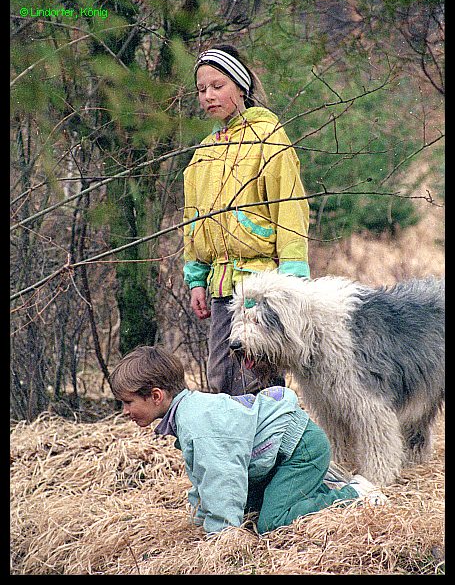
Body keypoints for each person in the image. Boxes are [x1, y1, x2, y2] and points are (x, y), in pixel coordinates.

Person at [109, 346, 387, 536]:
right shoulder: (188, 414)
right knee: (248, 510)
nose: (124, 411)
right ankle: (317, 487)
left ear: (156, 396)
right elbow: (204, 476)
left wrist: (222, 535)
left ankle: (355, 495)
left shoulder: (196, 422)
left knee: (272, 522)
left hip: (300, 450)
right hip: (281, 455)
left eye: (128, 402)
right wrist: (200, 519)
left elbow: (223, 477)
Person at [183, 44, 310, 395]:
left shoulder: (268, 137)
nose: (208, 96)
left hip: (259, 286)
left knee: (257, 382)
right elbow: (193, 221)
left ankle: (272, 433)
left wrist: (293, 278)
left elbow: (290, 210)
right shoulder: (203, 153)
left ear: (241, 86)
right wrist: (196, 279)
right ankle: (232, 435)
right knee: (221, 379)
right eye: (201, 89)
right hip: (221, 288)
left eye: (217, 86)